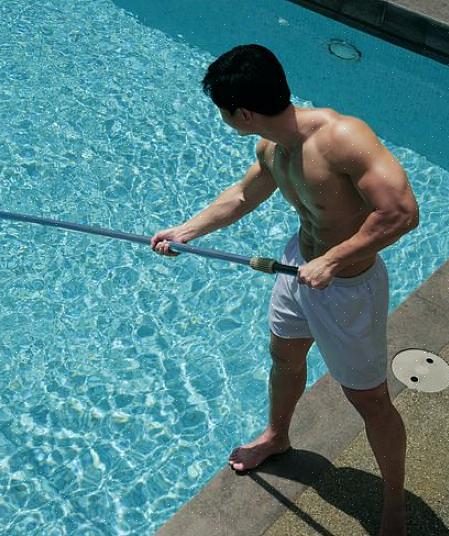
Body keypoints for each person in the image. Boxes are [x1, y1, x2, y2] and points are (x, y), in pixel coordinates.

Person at [151, 44, 418, 536]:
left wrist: (334, 260)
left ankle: (394, 505)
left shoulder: (342, 138)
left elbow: (401, 212)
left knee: (371, 401)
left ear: (243, 112)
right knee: (285, 358)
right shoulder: (272, 147)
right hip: (297, 267)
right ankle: (277, 436)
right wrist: (185, 231)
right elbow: (242, 195)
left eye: (223, 109)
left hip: (348, 287)